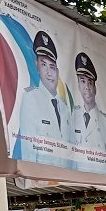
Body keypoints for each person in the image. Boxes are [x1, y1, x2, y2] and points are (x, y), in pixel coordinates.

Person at [17, 30, 72, 166]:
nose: (49, 73)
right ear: (37, 66)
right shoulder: (31, 98)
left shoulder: (64, 107)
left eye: (52, 67)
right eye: (44, 65)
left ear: (57, 71)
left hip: (64, 178)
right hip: (41, 178)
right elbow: (28, 147)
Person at [71, 52, 106, 176]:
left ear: (95, 88)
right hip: (75, 179)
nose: (86, 87)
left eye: (90, 82)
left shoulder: (104, 121)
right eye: (82, 81)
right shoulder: (72, 114)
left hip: (98, 181)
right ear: (78, 84)